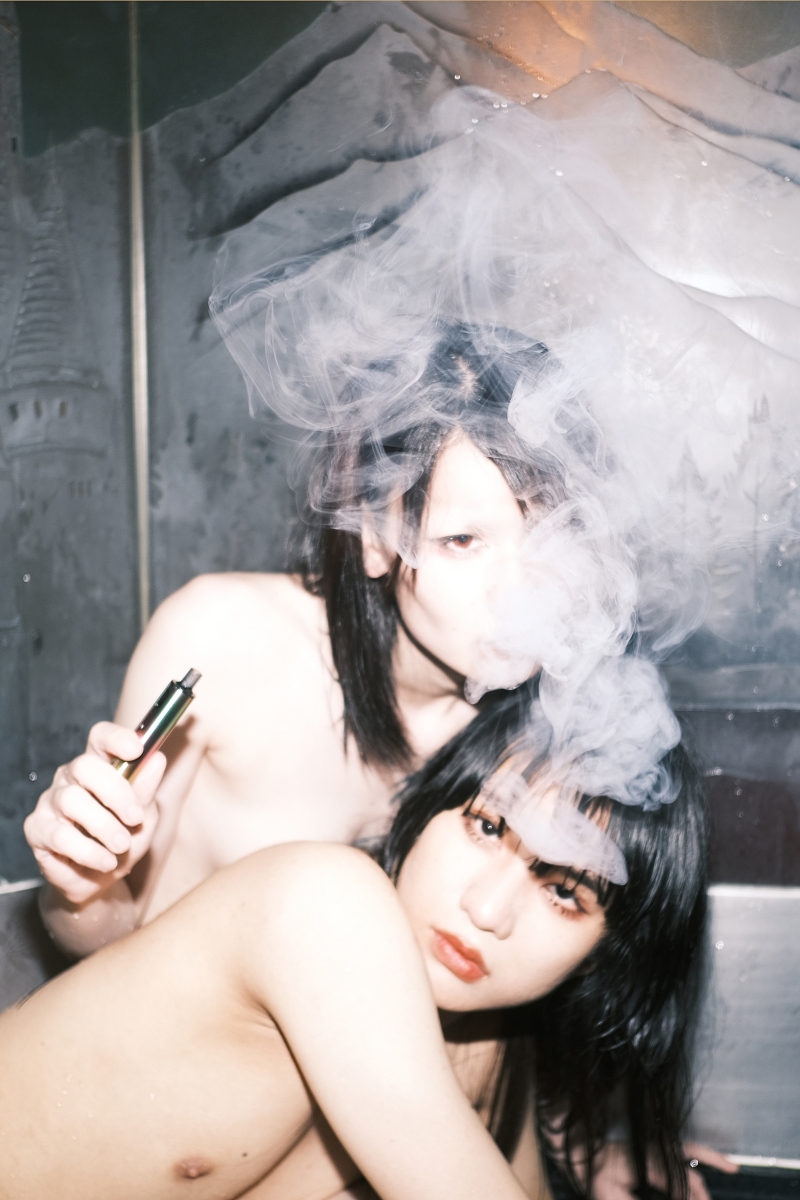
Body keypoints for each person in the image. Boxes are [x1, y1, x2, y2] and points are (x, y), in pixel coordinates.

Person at [25, 327, 629, 959]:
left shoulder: (552, 735)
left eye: (551, 539)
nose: (518, 592)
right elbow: (101, 945)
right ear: (373, 534)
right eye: (462, 541)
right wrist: (83, 883)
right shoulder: (223, 637)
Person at [3, 683, 708, 1200]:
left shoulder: (484, 1047)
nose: (486, 909)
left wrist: (588, 1156)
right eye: (488, 826)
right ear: (426, 813)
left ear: (606, 956)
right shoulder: (326, 908)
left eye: (564, 892)